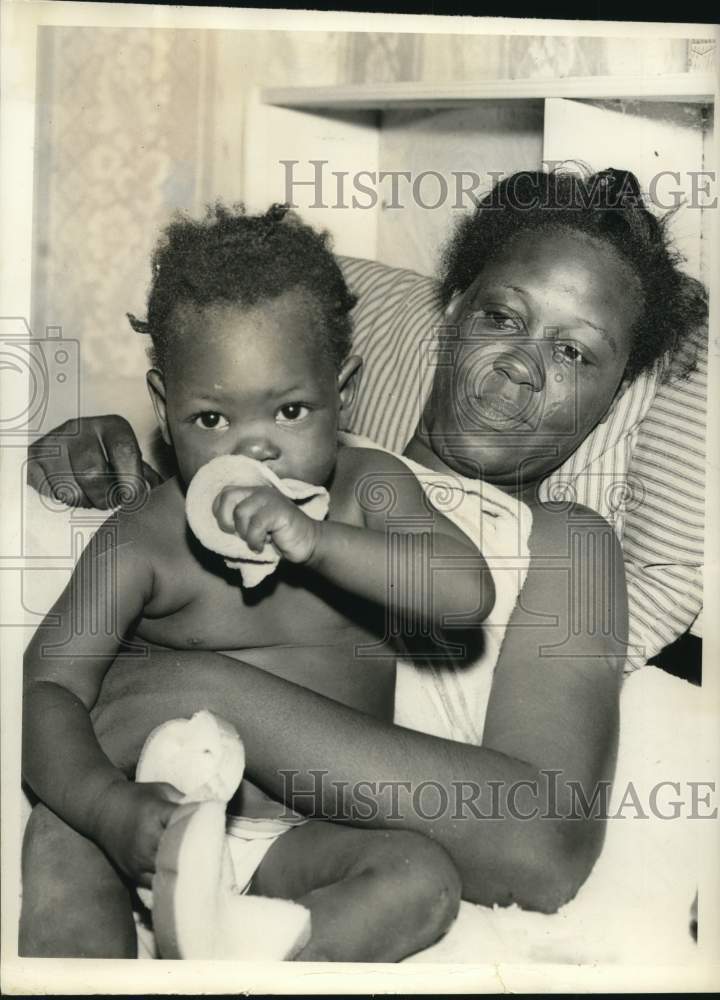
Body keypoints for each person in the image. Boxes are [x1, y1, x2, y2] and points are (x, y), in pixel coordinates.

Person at [24, 169, 706, 947]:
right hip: (120, 804)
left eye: (577, 353)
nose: (523, 364)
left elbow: (540, 843)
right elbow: (161, 557)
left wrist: (203, 687)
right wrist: (85, 463)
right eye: (500, 316)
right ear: (450, 313)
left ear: (614, 394)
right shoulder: (300, 456)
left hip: (311, 856)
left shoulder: (566, 543)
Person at [22, 203, 503, 960]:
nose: (255, 449)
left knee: (421, 876)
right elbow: (49, 686)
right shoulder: (146, 536)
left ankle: (256, 961)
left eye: (289, 410)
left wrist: (317, 542)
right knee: (59, 837)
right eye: (211, 420)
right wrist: (107, 808)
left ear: (342, 390)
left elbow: (463, 594)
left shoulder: (370, 489)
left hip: (303, 839)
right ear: (163, 406)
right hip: (149, 814)